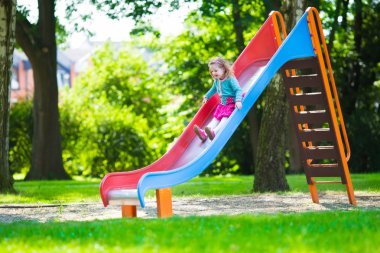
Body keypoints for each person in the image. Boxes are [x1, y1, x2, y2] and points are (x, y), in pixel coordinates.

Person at [194, 57, 243, 142]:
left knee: (224, 118)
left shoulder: (230, 79)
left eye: (215, 71)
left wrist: (238, 100)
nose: (213, 73)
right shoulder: (217, 81)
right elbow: (213, 89)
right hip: (223, 104)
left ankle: (215, 132)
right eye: (212, 71)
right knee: (215, 118)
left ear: (223, 69)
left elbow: (238, 89)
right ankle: (204, 134)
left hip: (232, 103)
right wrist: (206, 96)